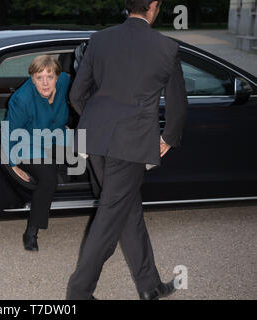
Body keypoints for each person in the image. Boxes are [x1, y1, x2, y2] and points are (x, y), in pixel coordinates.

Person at [66, 0, 188, 300]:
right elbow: (178, 104)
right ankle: (78, 292)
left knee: (128, 211)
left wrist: (96, 123)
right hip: (130, 144)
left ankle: (149, 286)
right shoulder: (166, 47)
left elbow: (76, 95)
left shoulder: (100, 39)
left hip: (95, 142)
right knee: (111, 216)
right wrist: (168, 138)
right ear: (154, 6)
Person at [2, 55, 71, 252]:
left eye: (50, 76)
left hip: (57, 137)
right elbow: (10, 132)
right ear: (32, 78)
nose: (45, 82)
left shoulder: (65, 82)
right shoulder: (22, 99)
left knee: (95, 151)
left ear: (57, 77)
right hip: (28, 145)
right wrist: (12, 164)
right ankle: (31, 232)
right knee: (49, 178)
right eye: (39, 77)